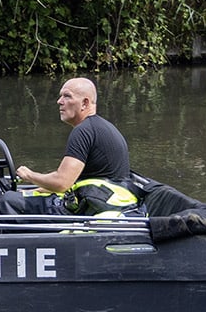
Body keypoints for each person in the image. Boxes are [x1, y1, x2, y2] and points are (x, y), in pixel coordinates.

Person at [13, 76, 137, 216]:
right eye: (61, 96)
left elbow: (62, 183)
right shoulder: (101, 127)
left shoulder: (83, 131)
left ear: (84, 103)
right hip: (107, 202)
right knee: (15, 197)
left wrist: (29, 175)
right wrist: (29, 192)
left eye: (67, 96)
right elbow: (72, 181)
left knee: (8, 202)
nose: (59, 101)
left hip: (95, 209)